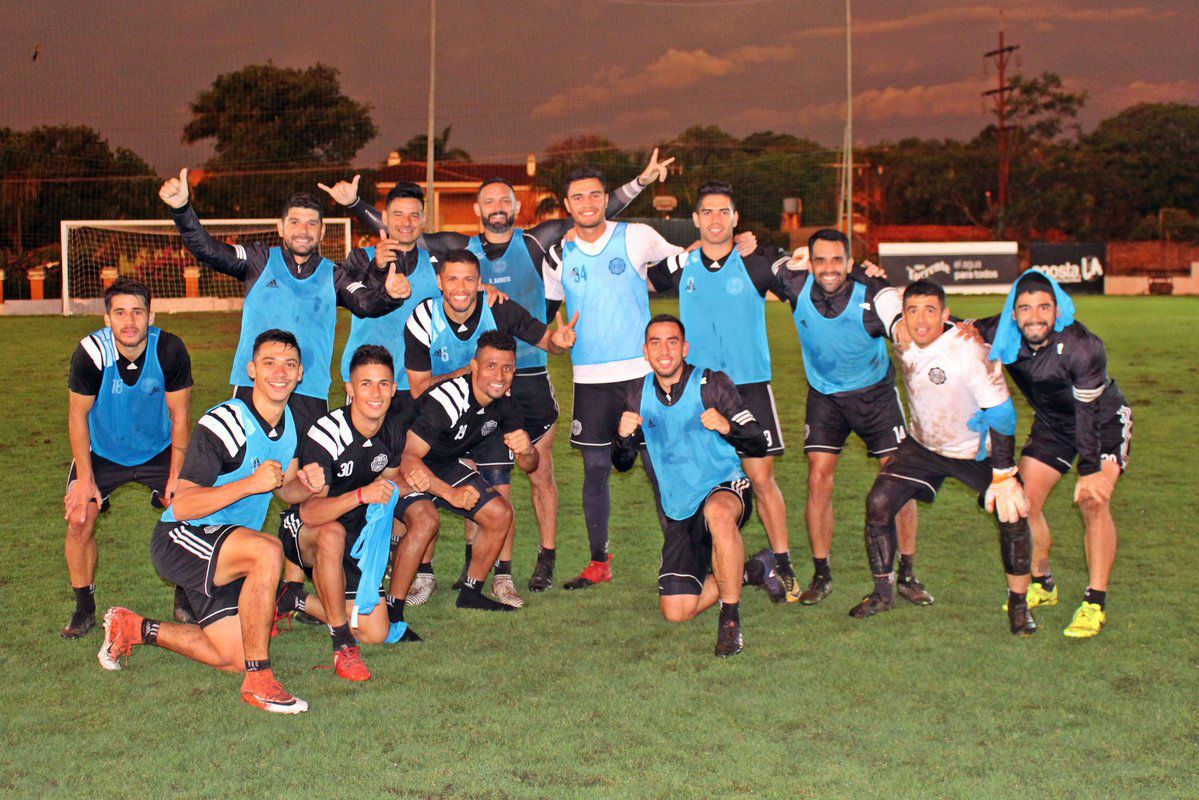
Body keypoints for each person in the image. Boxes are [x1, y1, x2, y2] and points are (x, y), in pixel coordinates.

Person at [319, 151, 672, 592]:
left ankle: (542, 557)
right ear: (477, 209)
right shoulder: (455, 249)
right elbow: (404, 229)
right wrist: (356, 206)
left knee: (536, 469)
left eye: (505, 200)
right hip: (461, 382)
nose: (498, 207)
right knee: (451, 469)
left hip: (527, 373)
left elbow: (590, 212)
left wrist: (640, 182)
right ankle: (441, 564)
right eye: (489, 201)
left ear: (517, 206)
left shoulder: (536, 240)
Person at [98, 330, 326, 714]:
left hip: (229, 547)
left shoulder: (291, 421)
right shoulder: (225, 422)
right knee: (268, 550)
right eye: (269, 363)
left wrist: (308, 485)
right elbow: (184, 504)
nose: (280, 373)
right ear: (251, 369)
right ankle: (259, 680)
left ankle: (134, 628)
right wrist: (250, 484)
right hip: (180, 537)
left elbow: (284, 488)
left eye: (289, 365)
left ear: (300, 373)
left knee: (232, 656)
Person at [158, 168, 410, 435]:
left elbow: (366, 304)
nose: (303, 230)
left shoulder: (333, 275)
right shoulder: (259, 260)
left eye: (312, 224)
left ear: (322, 232)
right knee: (249, 457)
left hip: (309, 392)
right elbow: (208, 250)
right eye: (295, 222)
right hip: (254, 384)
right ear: (280, 227)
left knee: (308, 462)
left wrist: (389, 295)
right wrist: (182, 209)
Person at [851, 281, 1036, 635]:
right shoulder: (901, 331)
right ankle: (883, 593)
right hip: (922, 447)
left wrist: (1003, 473)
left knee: (1013, 513)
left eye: (930, 311)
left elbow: (1001, 414)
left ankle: (1019, 604)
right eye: (913, 311)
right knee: (878, 503)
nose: (920, 321)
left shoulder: (970, 351)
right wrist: (869, 271)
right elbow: (880, 291)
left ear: (945, 315)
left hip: (974, 450)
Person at [647, 180, 798, 601]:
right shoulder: (684, 264)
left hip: (749, 385)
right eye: (708, 212)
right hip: (700, 391)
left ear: (736, 218)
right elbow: (645, 280)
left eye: (724, 212)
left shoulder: (754, 261)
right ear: (696, 219)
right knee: (701, 479)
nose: (716, 219)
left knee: (761, 478)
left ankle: (783, 562)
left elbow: (798, 283)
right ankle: (708, 559)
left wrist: (773, 248)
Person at [402, 249, 578, 606]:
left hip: (488, 416)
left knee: (501, 493)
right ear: (439, 282)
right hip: (443, 415)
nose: (461, 288)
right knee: (420, 489)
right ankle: (424, 574)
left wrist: (558, 344)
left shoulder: (498, 308)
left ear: (480, 283)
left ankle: (502, 577)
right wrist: (469, 377)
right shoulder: (423, 317)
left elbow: (545, 339)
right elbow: (419, 389)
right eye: (452, 279)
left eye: (469, 279)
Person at [541, 167, 686, 590]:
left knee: (658, 468)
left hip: (642, 375)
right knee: (595, 469)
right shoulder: (557, 255)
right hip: (590, 379)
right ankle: (599, 562)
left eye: (594, 195)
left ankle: (679, 560)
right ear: (567, 205)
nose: (587, 203)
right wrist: (556, 340)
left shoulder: (637, 236)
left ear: (606, 199)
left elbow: (684, 259)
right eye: (578, 197)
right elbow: (547, 314)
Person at [972, 270, 1132, 638]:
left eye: (1044, 307)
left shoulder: (1082, 345)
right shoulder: (1001, 331)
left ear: (1057, 311)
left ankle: (1095, 601)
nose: (1034, 316)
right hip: (1054, 425)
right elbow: (950, 326)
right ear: (1013, 314)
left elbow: (1088, 413)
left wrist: (1089, 470)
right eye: (1025, 308)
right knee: (1022, 503)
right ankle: (1043, 583)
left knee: (1093, 501)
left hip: (1103, 421)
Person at [779, 229, 926, 608]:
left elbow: (896, 316)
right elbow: (759, 262)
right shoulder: (794, 283)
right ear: (809, 263)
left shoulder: (872, 292)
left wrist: (901, 329)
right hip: (825, 396)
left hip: (876, 396)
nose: (828, 268)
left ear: (850, 262)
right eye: (820, 260)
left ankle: (907, 573)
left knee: (900, 479)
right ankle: (822, 573)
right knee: (818, 479)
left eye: (837, 260)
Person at [613, 315, 775, 656]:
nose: (664, 351)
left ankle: (730, 620)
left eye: (672, 342)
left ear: (684, 348)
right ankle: (753, 569)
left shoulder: (711, 384)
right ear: (645, 351)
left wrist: (728, 427)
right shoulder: (637, 392)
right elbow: (622, 464)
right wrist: (623, 438)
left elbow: (759, 442)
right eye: (655, 343)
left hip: (725, 486)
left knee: (718, 513)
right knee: (677, 612)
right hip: (680, 508)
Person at [275, 345, 439, 682]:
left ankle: (294, 598)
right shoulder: (326, 433)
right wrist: (362, 495)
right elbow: (310, 511)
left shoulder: (393, 430)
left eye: (383, 384)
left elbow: (387, 482)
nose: (375, 393)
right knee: (332, 533)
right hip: (306, 531)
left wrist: (416, 482)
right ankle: (342, 642)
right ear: (350, 388)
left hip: (354, 532)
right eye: (365, 384)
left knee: (376, 633)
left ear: (394, 389)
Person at [63, 278, 193, 638]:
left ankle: (185, 597)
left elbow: (181, 416)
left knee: (189, 506)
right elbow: (77, 416)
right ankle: (84, 608)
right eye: (120, 313)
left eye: (137, 312)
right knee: (79, 517)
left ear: (150, 316)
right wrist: (85, 479)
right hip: (103, 451)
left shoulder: (169, 349)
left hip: (159, 448)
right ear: (107, 319)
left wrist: (177, 476)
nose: (130, 321)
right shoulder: (91, 352)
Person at [400, 332, 539, 611]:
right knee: (424, 517)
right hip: (397, 466)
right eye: (491, 366)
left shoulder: (507, 404)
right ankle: (420, 579)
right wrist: (449, 493)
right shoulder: (448, 399)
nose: (499, 376)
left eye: (507, 368)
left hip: (443, 464)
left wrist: (527, 450)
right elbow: (407, 457)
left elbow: (530, 466)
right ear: (474, 366)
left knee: (500, 513)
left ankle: (470, 593)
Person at [329, 182, 442, 423]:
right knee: (364, 446)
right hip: (367, 379)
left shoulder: (437, 265)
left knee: (412, 447)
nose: (406, 222)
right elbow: (347, 295)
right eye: (398, 214)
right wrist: (377, 268)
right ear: (384, 218)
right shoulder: (361, 258)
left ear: (423, 219)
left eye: (414, 215)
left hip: (416, 381)